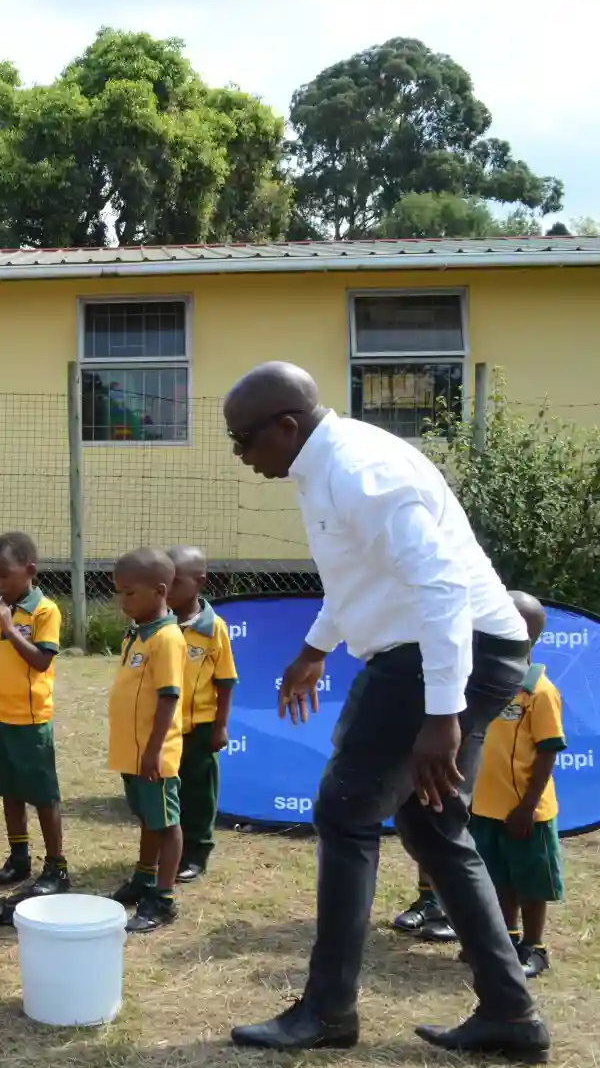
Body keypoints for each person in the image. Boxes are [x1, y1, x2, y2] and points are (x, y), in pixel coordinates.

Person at [224, 362, 546, 1061]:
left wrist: (442, 714)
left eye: (242, 440)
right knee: (434, 829)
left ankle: (327, 1011)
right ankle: (511, 1014)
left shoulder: (361, 471)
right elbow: (364, 578)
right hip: (455, 651)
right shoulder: (326, 467)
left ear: (287, 426)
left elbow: (439, 588)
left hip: (441, 653)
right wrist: (313, 649)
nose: (241, 457)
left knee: (346, 813)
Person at [470, 592, 566, 981]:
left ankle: (535, 946)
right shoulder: (485, 684)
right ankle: (506, 939)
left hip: (525, 811)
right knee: (497, 876)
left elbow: (547, 752)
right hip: (486, 806)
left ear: (521, 633)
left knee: (530, 880)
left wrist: (526, 806)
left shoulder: (540, 692)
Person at [0, 532, 69, 896]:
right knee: (8, 790)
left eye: (5, 575)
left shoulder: (45, 611)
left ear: (29, 570)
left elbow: (41, 659)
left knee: (43, 795)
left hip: (29, 721)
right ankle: (19, 856)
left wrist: (11, 629)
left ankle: (57, 866)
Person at [105, 547, 187, 933]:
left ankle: (164, 898)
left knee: (166, 823)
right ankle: (143, 878)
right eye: (119, 592)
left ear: (159, 591)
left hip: (156, 755)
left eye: (129, 593)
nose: (122, 601)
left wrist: (155, 750)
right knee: (147, 819)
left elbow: (169, 695)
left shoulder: (167, 639)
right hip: (132, 753)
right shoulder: (136, 635)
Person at [168, 545, 237, 884]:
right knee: (167, 793)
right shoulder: (157, 626)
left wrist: (220, 726)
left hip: (199, 729)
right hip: (163, 730)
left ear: (200, 582)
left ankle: (196, 852)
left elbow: (225, 682)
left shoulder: (214, 629)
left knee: (198, 793)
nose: (167, 591)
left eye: (176, 583)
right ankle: (169, 850)